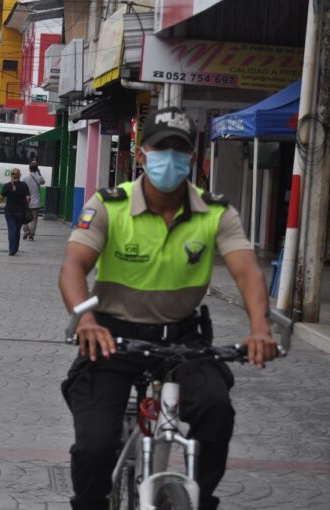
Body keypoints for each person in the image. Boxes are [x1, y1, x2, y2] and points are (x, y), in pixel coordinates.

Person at [58, 107, 278, 510]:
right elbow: (73, 266)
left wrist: (260, 327)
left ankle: (198, 498)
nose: (170, 159)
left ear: (192, 157)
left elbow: (248, 272)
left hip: (183, 340)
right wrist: (85, 319)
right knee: (95, 446)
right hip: (112, 339)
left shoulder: (215, 213)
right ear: (142, 154)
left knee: (215, 411)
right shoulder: (110, 205)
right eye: (162, 149)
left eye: (180, 150)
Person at [0, 168, 30, 256]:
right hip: (20, 211)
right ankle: (15, 248)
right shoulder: (24, 185)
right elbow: (28, 198)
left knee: (11, 230)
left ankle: (12, 249)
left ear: (11, 175)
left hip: (9, 212)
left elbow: (1, 197)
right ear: (19, 175)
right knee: (17, 230)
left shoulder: (7, 186)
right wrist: (26, 204)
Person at [22, 161, 45, 240]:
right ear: (37, 169)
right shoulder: (39, 178)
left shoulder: (25, 178)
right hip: (35, 203)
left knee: (24, 217)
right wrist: (39, 173)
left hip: (26, 202)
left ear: (29, 168)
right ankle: (31, 235)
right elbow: (43, 182)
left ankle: (26, 231)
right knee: (34, 219)